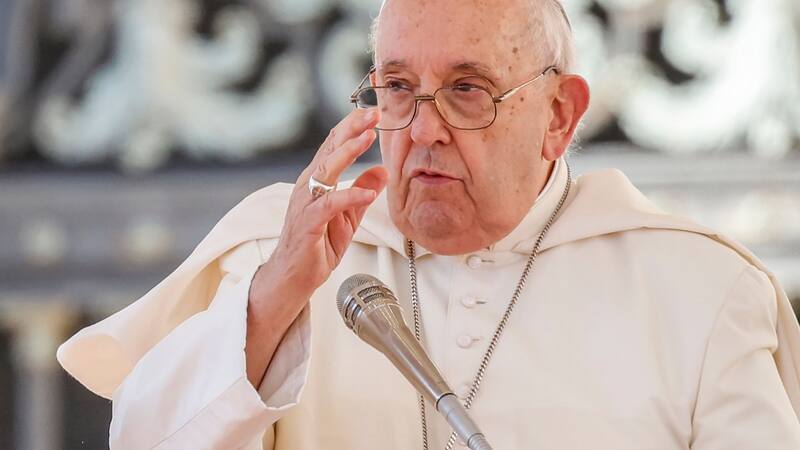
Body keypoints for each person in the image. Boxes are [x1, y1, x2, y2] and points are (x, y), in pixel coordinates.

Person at [57, 0, 800, 449]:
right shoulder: (277, 259)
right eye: (399, 89)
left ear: (560, 115)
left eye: (467, 90)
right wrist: (272, 299)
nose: (424, 128)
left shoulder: (701, 294)